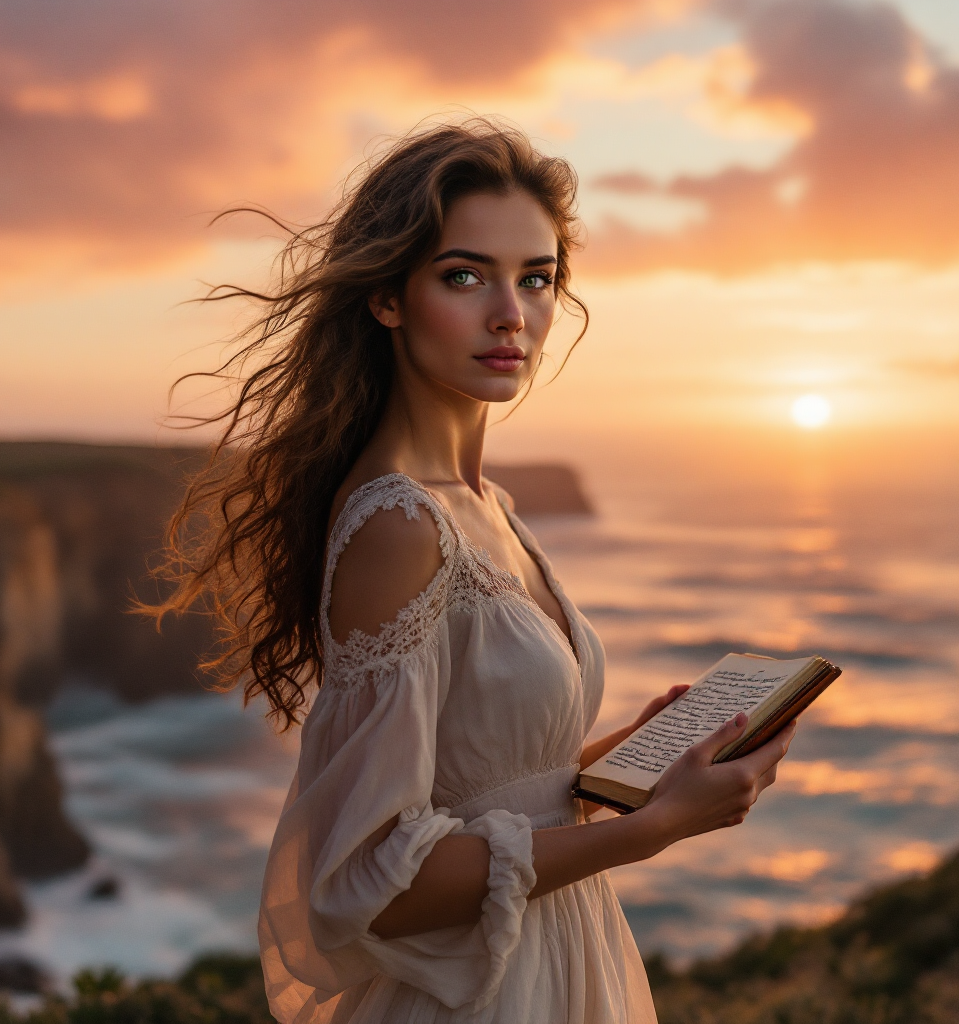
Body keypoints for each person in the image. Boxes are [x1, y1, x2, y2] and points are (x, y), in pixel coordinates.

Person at [160, 118, 796, 1024]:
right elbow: (372, 876)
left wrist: (622, 762)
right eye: (466, 276)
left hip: (560, 960)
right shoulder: (399, 523)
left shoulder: (487, 506)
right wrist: (648, 830)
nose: (512, 314)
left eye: (536, 279)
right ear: (387, 297)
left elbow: (473, 792)